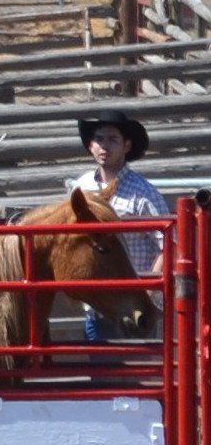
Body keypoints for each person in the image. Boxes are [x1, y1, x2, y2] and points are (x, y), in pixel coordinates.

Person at [67, 108, 168, 342]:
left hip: (134, 305)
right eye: (99, 139)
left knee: (135, 370)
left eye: (113, 139)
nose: (104, 146)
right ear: (91, 146)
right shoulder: (80, 188)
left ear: (126, 146)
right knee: (101, 372)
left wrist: (148, 288)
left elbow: (167, 243)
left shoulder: (144, 193)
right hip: (96, 304)